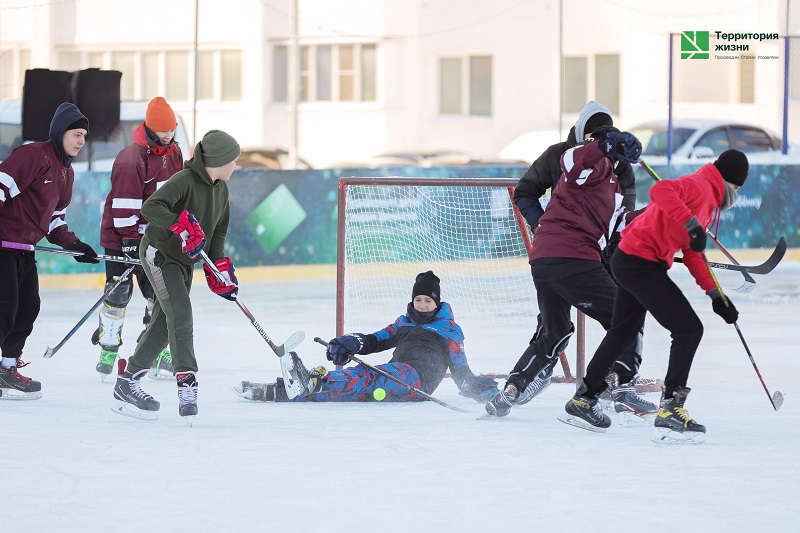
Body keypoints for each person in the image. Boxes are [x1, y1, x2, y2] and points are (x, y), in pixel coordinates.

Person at [560, 149, 749, 443]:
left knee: (623, 332)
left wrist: (716, 295)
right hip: (640, 263)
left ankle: (584, 399)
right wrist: (691, 223)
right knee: (688, 329)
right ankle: (670, 409)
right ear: (734, 183)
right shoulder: (700, 186)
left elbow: (693, 253)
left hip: (630, 259)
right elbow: (661, 190)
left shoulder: (709, 199)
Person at [484, 127, 656, 421]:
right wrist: (604, 146)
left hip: (547, 261)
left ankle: (511, 390)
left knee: (556, 331)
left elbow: (621, 225)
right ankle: (616, 388)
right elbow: (572, 159)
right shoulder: (587, 165)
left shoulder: (612, 186)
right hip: (573, 258)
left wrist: (661, 212)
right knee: (627, 315)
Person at [111, 129, 241, 420]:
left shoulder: (221, 189)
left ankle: (127, 382)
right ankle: (187, 382)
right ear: (218, 160)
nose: (236, 165)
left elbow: (218, 233)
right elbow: (151, 207)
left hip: (184, 262)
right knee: (181, 313)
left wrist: (217, 268)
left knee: (163, 323)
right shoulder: (184, 180)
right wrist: (178, 224)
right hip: (159, 254)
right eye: (233, 159)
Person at [234, 271, 499, 404]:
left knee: (369, 375)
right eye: (418, 299)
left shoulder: (448, 330)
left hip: (417, 381)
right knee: (353, 387)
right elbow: (375, 340)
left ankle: (312, 382)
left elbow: (461, 369)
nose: (421, 305)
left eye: (427, 301)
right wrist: (350, 342)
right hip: (396, 377)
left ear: (436, 303)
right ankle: (282, 390)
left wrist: (480, 389)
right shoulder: (404, 322)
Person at [0, 103, 99, 399]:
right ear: (60, 132)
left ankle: (6, 371)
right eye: (76, 134)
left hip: (24, 251)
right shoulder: (34, 155)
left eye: (84, 136)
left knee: (28, 309)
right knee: (4, 310)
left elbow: (55, 220)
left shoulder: (67, 173)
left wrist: (74, 244)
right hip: (3, 247)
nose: (81, 141)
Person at [93, 97, 184, 380]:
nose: (168, 135)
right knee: (118, 293)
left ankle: (154, 350)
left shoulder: (175, 153)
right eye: (163, 130)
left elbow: (177, 195)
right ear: (150, 128)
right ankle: (108, 348)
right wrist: (130, 241)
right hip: (120, 236)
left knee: (159, 296)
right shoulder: (131, 158)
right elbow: (123, 205)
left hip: (153, 238)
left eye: (172, 129)